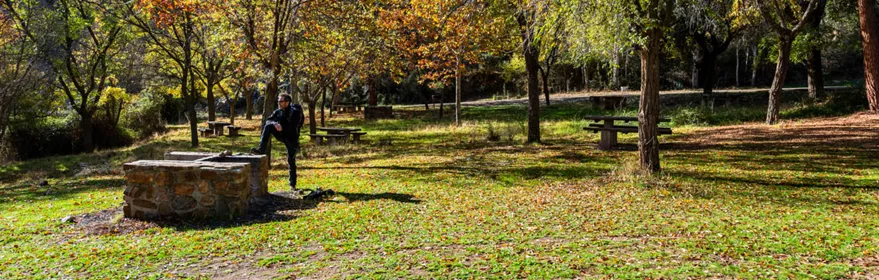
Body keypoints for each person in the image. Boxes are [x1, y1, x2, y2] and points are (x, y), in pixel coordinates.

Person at [251, 93, 305, 190]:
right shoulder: (278, 111)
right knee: (268, 126)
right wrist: (275, 123)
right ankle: (261, 149)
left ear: (287, 102)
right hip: (281, 134)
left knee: (291, 160)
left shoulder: (296, 112)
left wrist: (282, 127)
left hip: (292, 137)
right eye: (278, 101)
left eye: (281, 101)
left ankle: (292, 184)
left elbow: (293, 126)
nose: (279, 103)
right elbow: (268, 120)